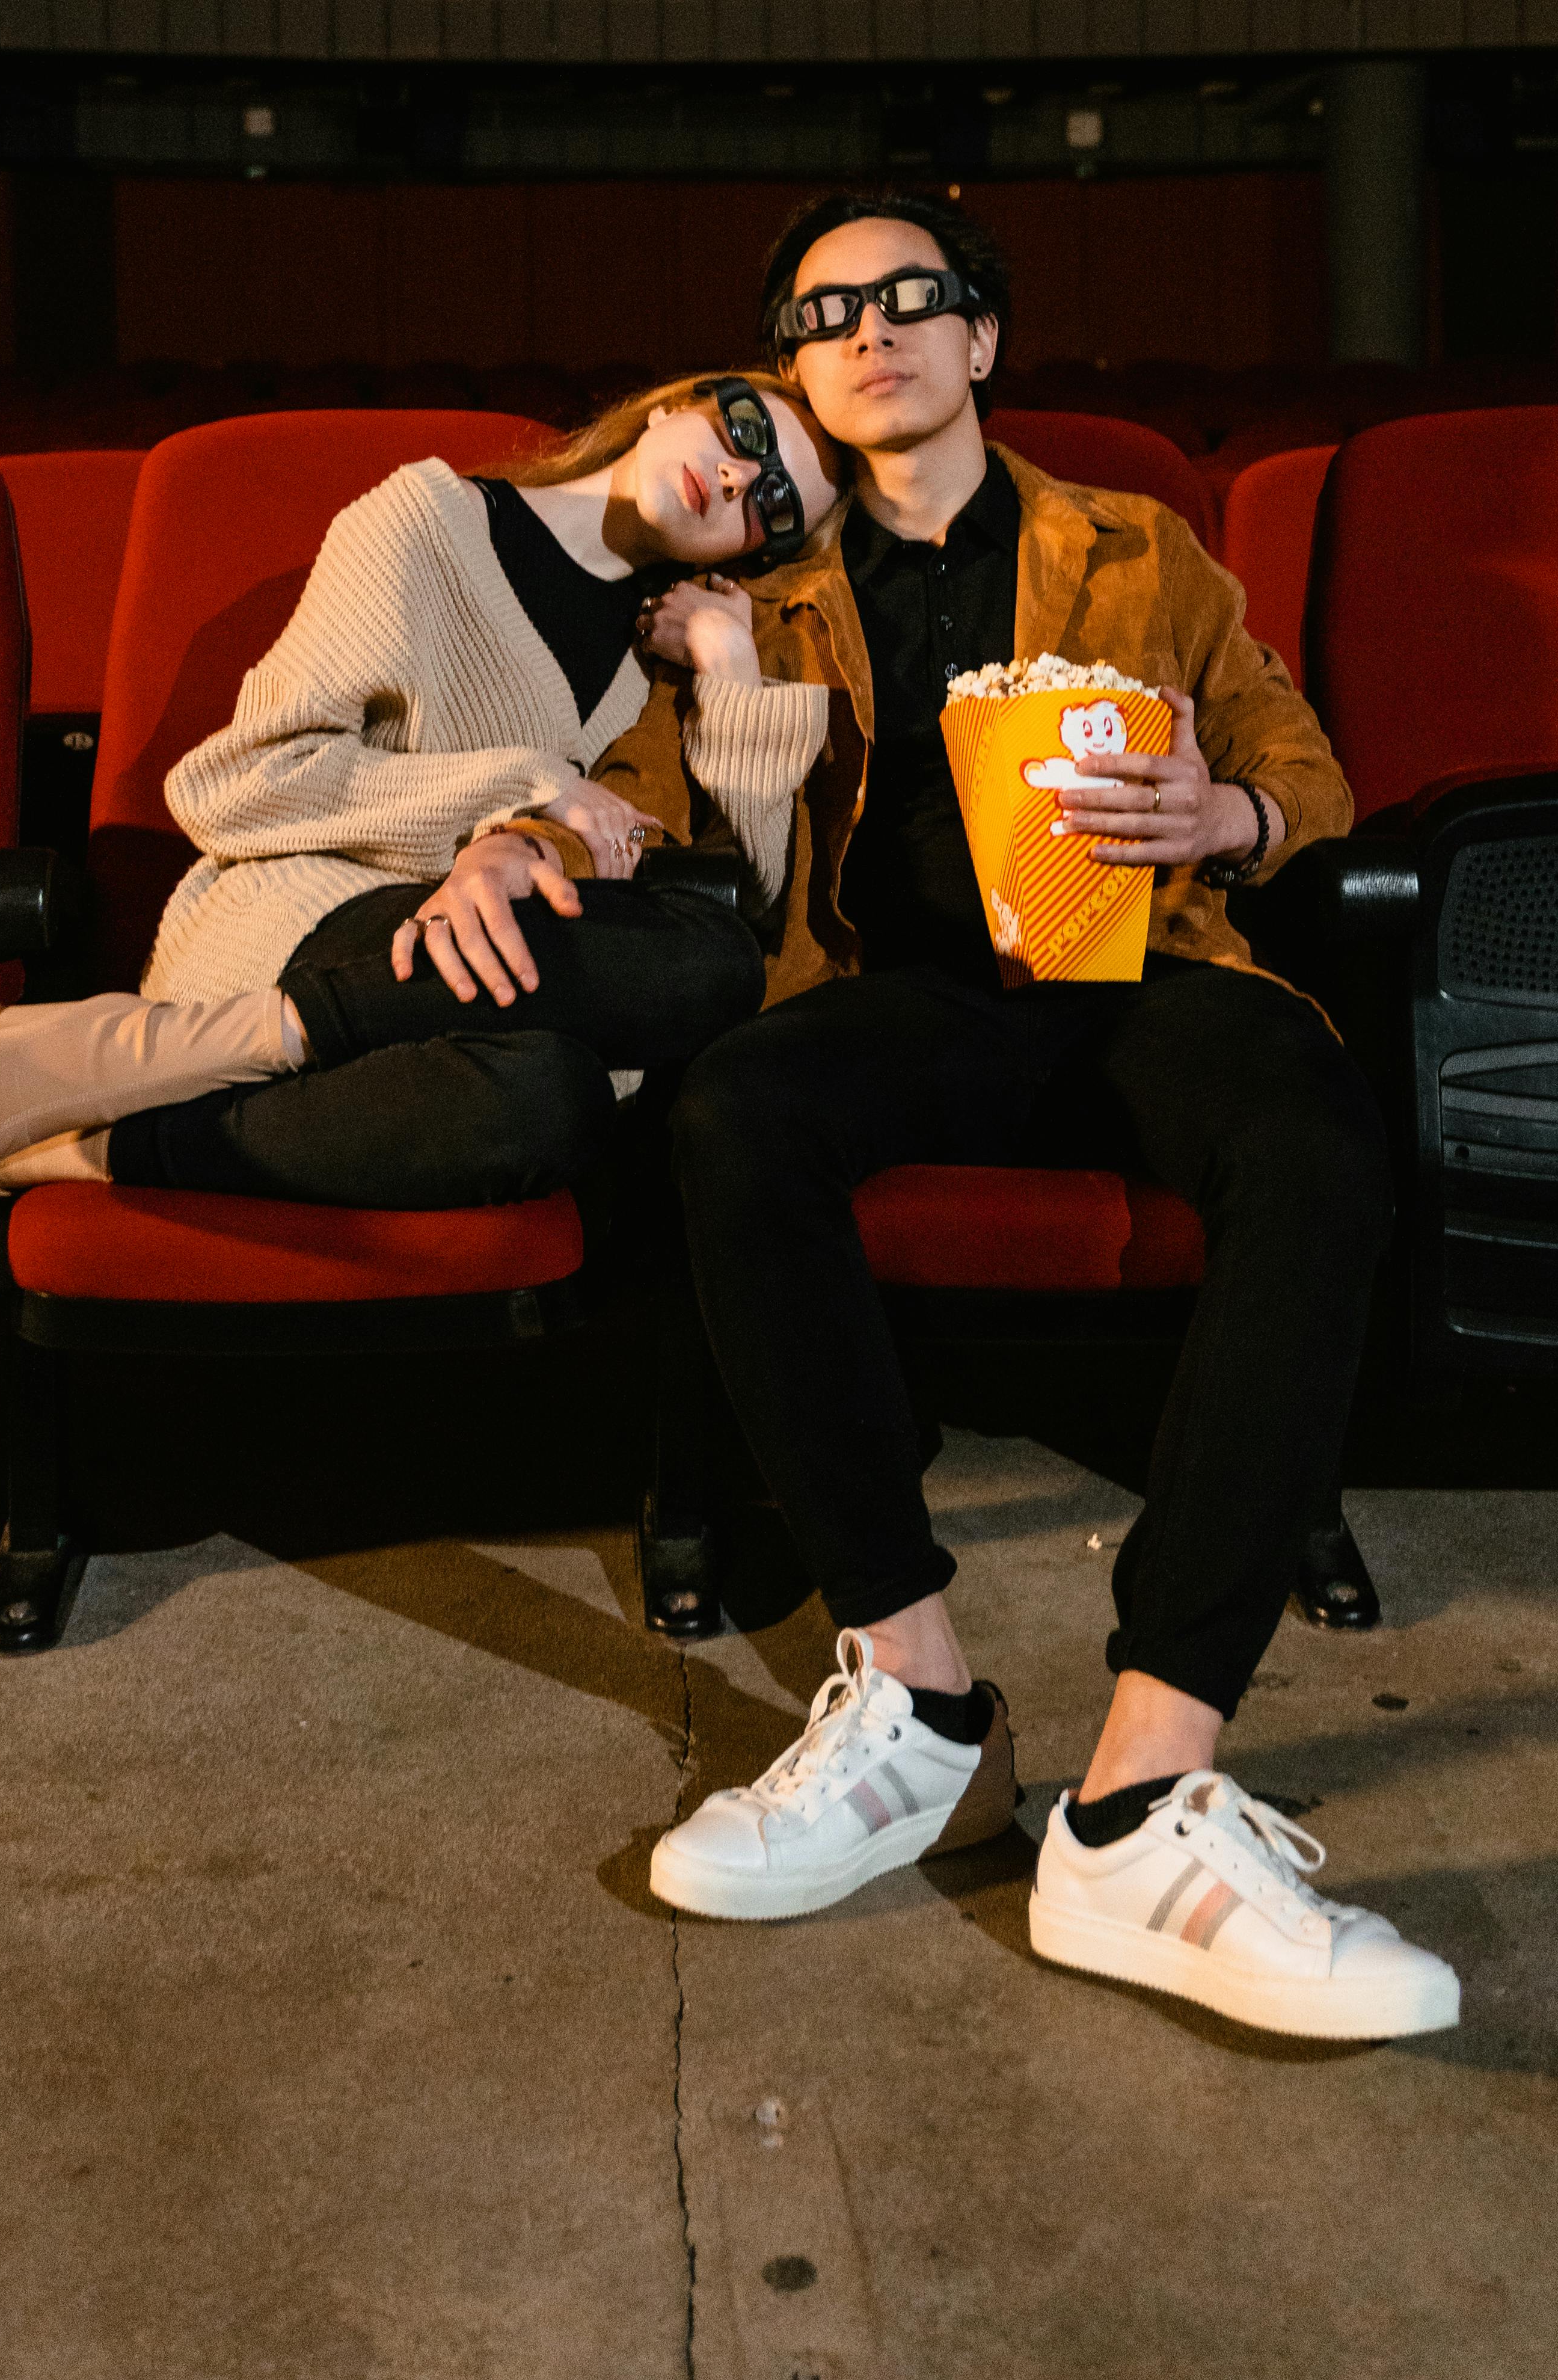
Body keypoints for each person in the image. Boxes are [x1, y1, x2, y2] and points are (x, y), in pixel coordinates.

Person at [597, 190, 1457, 2043]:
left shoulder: (1135, 547)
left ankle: (1145, 1796)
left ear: (979, 342)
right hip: (906, 999)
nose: (872, 328)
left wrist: (1222, 820)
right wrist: (673, 718)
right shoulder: (752, 595)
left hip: (1141, 963)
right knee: (733, 1111)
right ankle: (914, 1710)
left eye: (913, 298)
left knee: (1313, 1141)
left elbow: (1301, 763)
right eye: (825, 312)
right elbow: (660, 835)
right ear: (794, 377)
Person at [0, 374, 841, 1261]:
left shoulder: (644, 668)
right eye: (745, 431)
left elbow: (741, 896)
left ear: (754, 556)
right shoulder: (429, 521)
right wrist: (521, 783)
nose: (740, 478)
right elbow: (239, 783)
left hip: (461, 980)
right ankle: (214, 1041)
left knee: (563, 1088)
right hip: (293, 917)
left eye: (774, 508)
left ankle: (61, 1135)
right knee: (698, 971)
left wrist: (728, 664)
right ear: (677, 404)